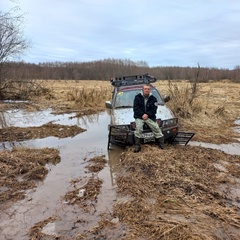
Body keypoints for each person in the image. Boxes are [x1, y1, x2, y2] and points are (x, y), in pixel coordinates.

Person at [133, 84, 164, 152]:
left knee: (156, 128)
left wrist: (147, 114)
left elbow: (154, 109)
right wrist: (142, 115)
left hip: (150, 117)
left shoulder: (153, 99)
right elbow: (136, 108)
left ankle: (161, 145)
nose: (147, 90)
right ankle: (137, 146)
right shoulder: (137, 97)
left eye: (148, 89)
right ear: (143, 89)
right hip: (139, 117)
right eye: (145, 89)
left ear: (150, 90)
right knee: (138, 128)